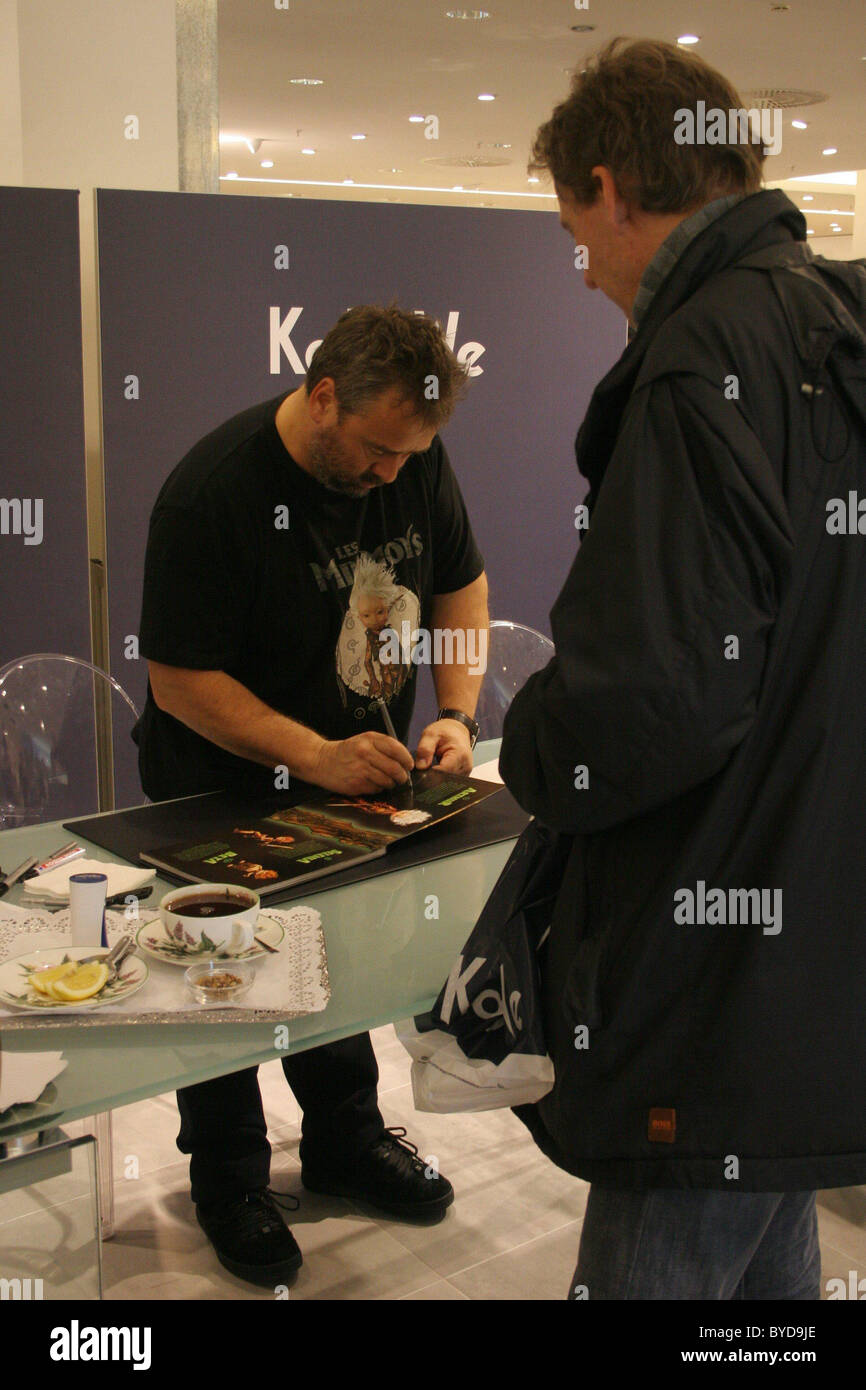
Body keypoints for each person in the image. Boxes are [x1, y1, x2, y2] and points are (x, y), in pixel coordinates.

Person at [499, 37, 866, 1300]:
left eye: (574, 226)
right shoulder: (830, 321)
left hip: (711, 956)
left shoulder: (696, 362)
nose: (585, 265)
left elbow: (649, 702)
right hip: (808, 934)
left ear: (610, 185)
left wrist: (534, 740)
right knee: (763, 1233)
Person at [134, 305, 488, 1287]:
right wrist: (314, 755)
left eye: (405, 456)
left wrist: (455, 710)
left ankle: (343, 1138)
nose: (388, 474)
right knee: (223, 985)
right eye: (375, 450)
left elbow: (460, 582)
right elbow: (179, 680)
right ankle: (229, 1180)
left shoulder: (411, 455)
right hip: (217, 780)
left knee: (338, 958)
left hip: (354, 775)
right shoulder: (212, 493)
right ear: (322, 393)